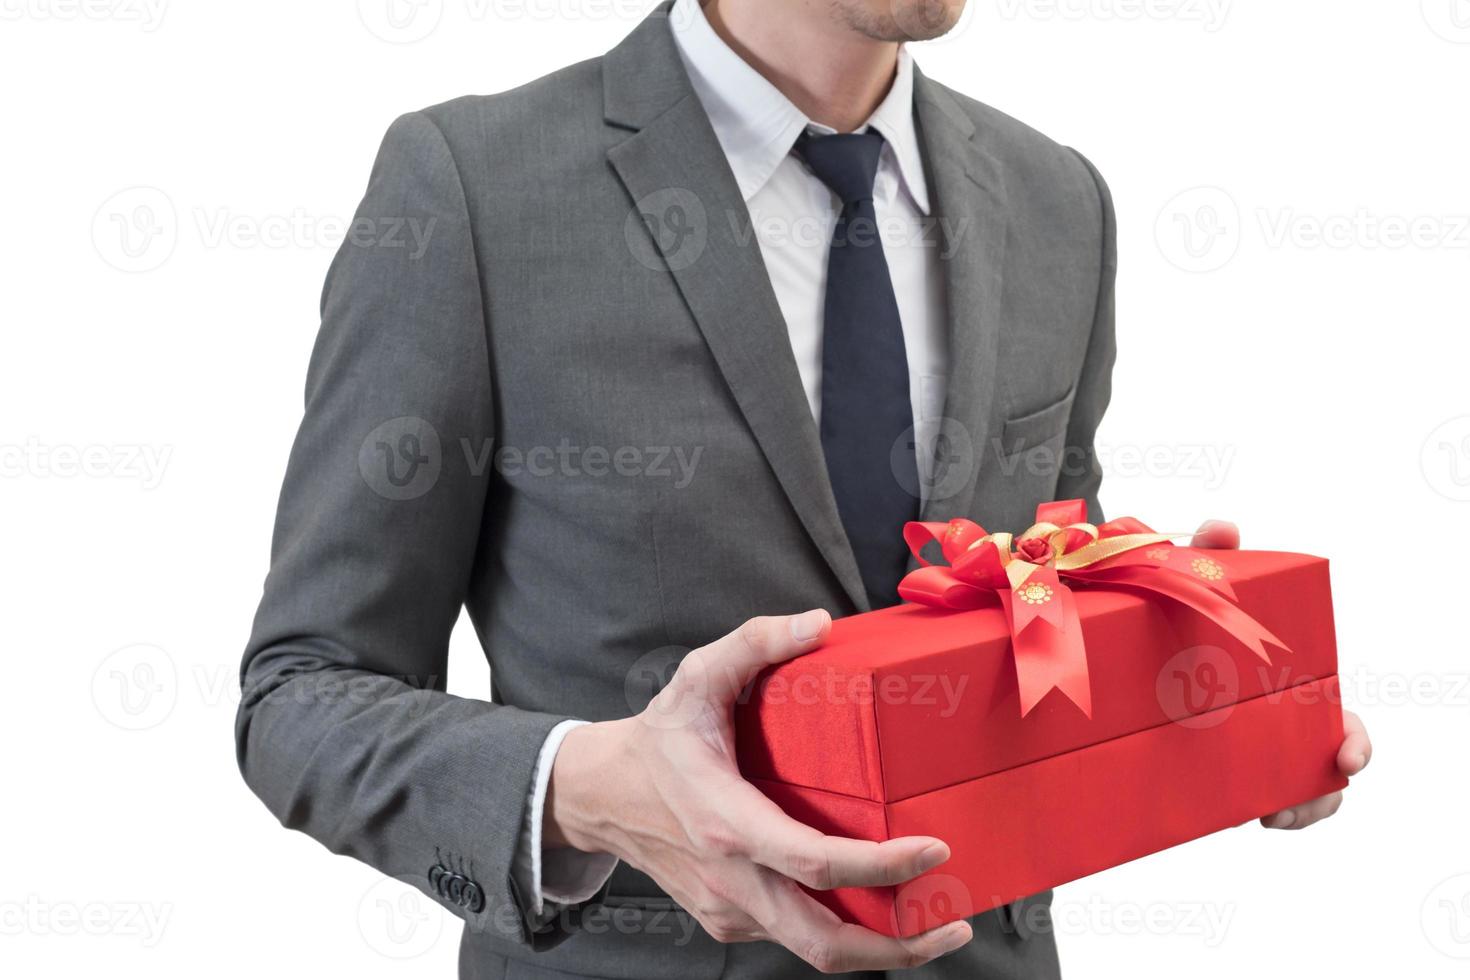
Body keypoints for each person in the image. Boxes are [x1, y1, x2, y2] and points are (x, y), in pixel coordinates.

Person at [235, 0, 1371, 976]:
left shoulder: (1059, 199)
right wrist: (585, 787)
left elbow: (1032, 605)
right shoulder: (476, 188)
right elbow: (302, 691)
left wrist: (1200, 694)